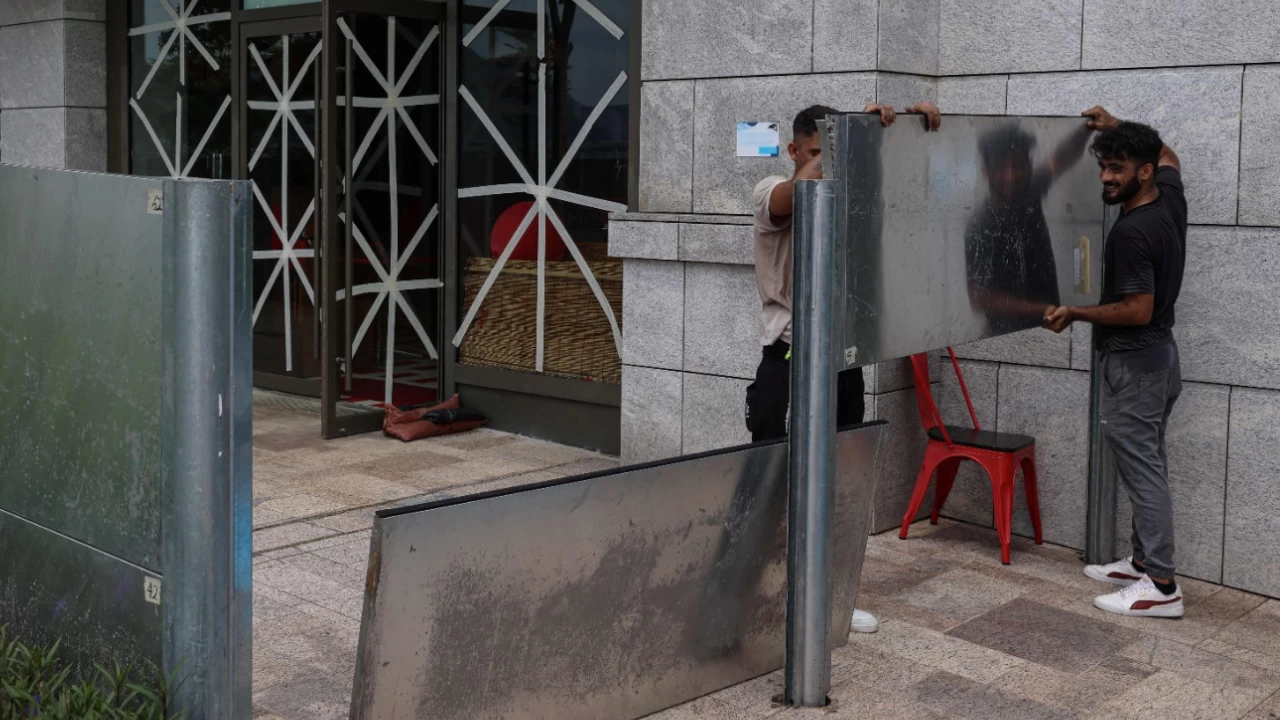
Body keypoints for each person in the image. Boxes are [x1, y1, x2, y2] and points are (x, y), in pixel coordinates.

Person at [745, 101, 942, 634]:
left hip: (839, 357)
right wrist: (843, 138)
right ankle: (756, 592)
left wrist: (900, 128)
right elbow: (794, 194)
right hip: (786, 356)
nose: (827, 166)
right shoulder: (770, 190)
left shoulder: (849, 197)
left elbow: (919, 187)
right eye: (817, 154)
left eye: (832, 155)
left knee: (839, 476)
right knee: (771, 477)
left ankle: (828, 593)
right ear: (794, 151)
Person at [1044, 106, 1187, 618]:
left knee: (1144, 469)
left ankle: (1162, 586)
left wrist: (1075, 311)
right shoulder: (1168, 198)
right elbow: (1168, 153)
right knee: (1150, 460)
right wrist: (1118, 125)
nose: (1106, 177)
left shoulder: (1132, 233)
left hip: (1135, 362)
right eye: (1103, 166)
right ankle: (1144, 561)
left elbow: (1137, 309)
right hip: (1160, 360)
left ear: (1142, 173)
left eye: (1117, 169)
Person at [965, 122, 1092, 334]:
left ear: (1030, 165)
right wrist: (1044, 310)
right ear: (985, 171)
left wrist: (1087, 127)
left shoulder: (1029, 192)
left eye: (1018, 165)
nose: (1011, 176)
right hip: (1003, 336)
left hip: (1048, 327)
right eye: (1000, 168)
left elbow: (1061, 158)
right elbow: (979, 298)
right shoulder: (980, 224)